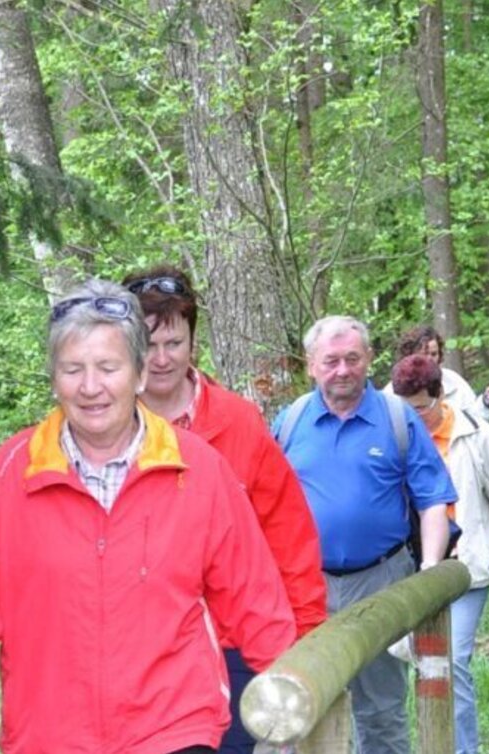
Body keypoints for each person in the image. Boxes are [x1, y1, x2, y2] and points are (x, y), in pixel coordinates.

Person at [0, 280, 296, 754]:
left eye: (108, 367)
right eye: (72, 369)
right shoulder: (11, 472)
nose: (90, 387)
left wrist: (288, 692)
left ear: (140, 374)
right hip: (48, 735)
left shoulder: (197, 469)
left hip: (175, 728)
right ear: (54, 379)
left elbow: (254, 595)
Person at [121, 265, 327, 754]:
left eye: (174, 343)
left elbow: (288, 535)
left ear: (194, 342)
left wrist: (308, 641)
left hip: (234, 645)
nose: (162, 358)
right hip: (141, 650)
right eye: (148, 345)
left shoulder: (238, 420)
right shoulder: (104, 427)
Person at [275, 315, 456, 754]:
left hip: (381, 581)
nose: (342, 370)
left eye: (352, 358)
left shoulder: (397, 418)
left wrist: (429, 571)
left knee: (381, 709)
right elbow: (265, 501)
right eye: (331, 360)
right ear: (311, 365)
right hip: (305, 585)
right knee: (305, 701)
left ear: (369, 359)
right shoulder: (290, 421)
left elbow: (432, 499)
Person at [389, 354, 489, 754]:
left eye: (421, 409)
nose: (413, 417)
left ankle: (463, 749)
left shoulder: (474, 434)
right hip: (407, 568)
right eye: (403, 408)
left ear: (440, 396)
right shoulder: (392, 434)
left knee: (451, 657)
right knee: (412, 660)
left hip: (467, 566)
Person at [383, 325, 487, 417]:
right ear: (409, 355)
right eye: (423, 354)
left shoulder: (454, 382)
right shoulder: (391, 393)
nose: (429, 359)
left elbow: (476, 420)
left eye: (433, 354)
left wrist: (485, 403)